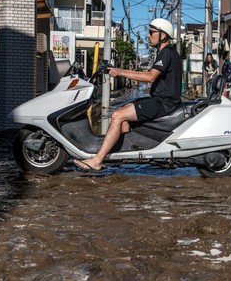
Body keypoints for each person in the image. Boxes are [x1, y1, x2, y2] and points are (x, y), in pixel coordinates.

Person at [73, 18, 182, 171]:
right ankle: (115, 155)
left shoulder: (166, 53)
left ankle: (97, 160)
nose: (148, 36)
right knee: (122, 117)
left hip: (163, 103)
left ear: (163, 36)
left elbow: (150, 76)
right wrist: (118, 70)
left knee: (118, 115)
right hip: (161, 101)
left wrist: (121, 72)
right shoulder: (167, 53)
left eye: (151, 33)